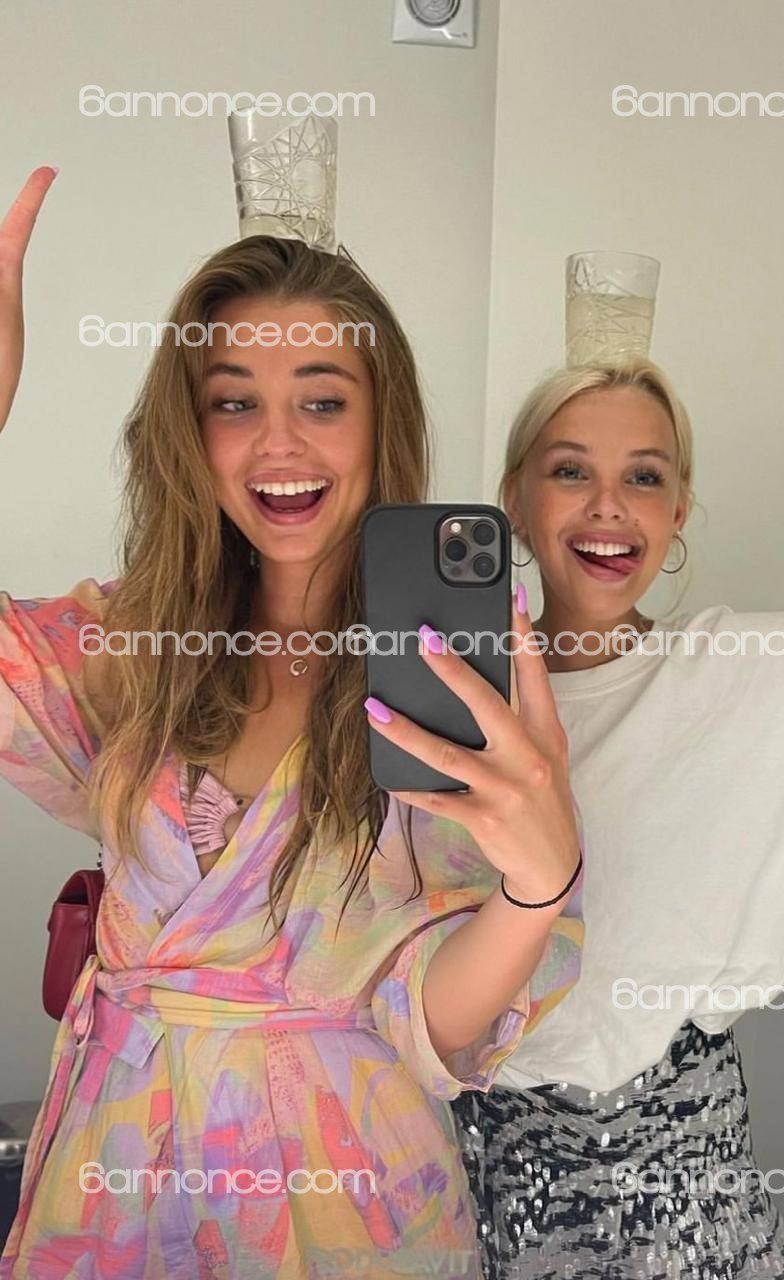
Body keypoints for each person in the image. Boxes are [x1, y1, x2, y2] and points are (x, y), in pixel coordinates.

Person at [0, 166, 584, 1280]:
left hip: (344, 1203)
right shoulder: (132, 649)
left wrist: (537, 888)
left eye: (322, 401)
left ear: (379, 420)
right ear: (189, 429)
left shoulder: (448, 678)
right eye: (234, 402)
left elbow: (438, 1020)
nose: (279, 445)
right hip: (113, 1189)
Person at [451, 181, 784, 1278]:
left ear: (678, 510)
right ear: (513, 499)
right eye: (570, 471)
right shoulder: (448, 698)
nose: (609, 506)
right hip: (469, 1158)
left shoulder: (764, 672)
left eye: (643, 478)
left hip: (687, 1175)